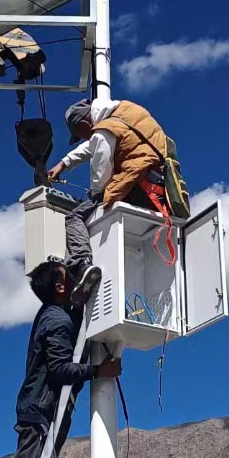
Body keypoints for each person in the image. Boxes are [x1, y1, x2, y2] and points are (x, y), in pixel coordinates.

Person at [47, 97, 177, 305]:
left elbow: (101, 169)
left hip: (137, 187)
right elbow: (94, 144)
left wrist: (98, 196)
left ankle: (82, 264)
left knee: (75, 217)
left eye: (78, 134)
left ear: (84, 124)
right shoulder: (124, 112)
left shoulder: (103, 130)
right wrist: (64, 163)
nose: (82, 139)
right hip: (158, 187)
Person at [11, 260, 122, 458]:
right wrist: (99, 371)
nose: (74, 278)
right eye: (68, 275)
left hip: (39, 411)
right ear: (60, 287)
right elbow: (60, 369)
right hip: (40, 415)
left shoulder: (52, 314)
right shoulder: (57, 321)